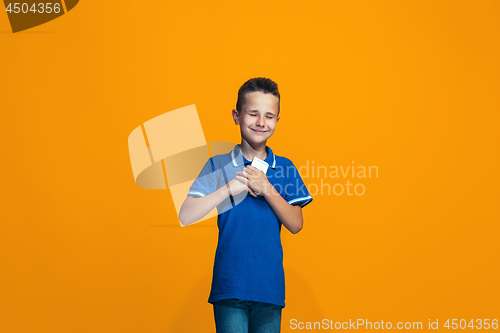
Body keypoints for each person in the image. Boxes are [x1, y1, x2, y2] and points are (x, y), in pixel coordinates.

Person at [179, 77, 313, 333]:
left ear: (277, 121)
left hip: (269, 286)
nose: (261, 122)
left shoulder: (285, 168)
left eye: (269, 116)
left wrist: (268, 189)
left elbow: (296, 224)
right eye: (253, 113)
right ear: (237, 116)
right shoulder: (218, 165)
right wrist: (230, 188)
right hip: (229, 285)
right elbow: (186, 215)